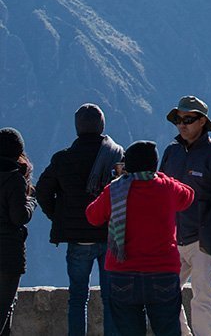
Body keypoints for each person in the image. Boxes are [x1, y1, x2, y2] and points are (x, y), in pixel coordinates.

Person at [86, 141, 194, 336]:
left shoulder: (115, 190)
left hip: (123, 273)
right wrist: (162, 176)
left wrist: (117, 184)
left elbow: (92, 216)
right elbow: (188, 196)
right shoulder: (167, 188)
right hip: (162, 272)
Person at [34, 103, 123, 336]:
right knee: (111, 297)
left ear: (77, 128)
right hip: (110, 235)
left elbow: (42, 191)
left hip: (78, 238)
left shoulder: (63, 159)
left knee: (78, 297)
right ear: (102, 126)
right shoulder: (116, 156)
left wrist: (59, 216)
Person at [159, 96, 211, 336]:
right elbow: (160, 188)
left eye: (188, 119)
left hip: (202, 238)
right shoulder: (171, 152)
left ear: (202, 121)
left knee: (204, 295)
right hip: (172, 237)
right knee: (165, 292)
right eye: (178, 119)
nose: (181, 125)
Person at [0, 128, 37, 336]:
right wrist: (31, 202)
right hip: (7, 255)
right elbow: (19, 217)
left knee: (7, 309)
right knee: (4, 307)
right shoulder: (14, 179)